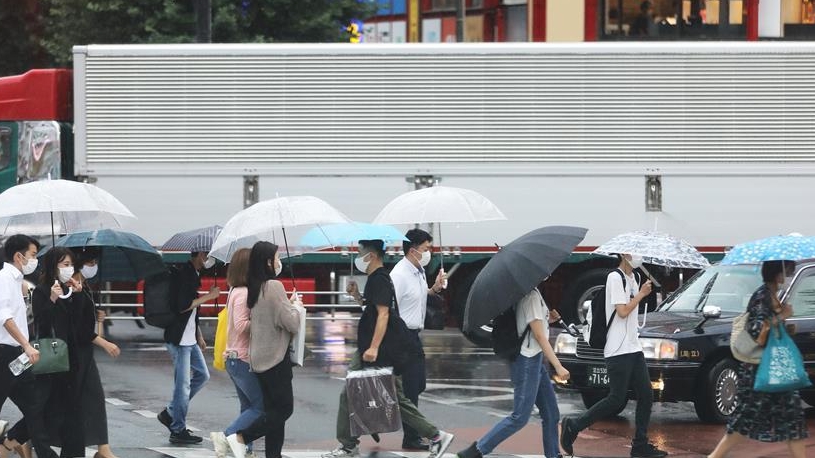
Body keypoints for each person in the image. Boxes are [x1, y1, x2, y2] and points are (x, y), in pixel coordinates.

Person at [322, 239, 454, 458]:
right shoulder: (378, 278)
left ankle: (349, 446)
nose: (358, 258)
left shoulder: (380, 279)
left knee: (367, 395)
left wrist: (373, 348)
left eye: (360, 253)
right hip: (376, 347)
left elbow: (383, 314)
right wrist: (356, 295)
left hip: (377, 349)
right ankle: (434, 436)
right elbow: (374, 309)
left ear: (371, 256)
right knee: (385, 397)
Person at [560, 253, 667, 458]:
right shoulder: (614, 278)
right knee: (616, 398)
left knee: (646, 394)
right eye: (635, 253)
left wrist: (647, 292)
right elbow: (622, 311)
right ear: (624, 255)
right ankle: (574, 425)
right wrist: (641, 294)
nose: (639, 257)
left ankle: (640, 444)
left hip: (633, 347)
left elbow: (633, 313)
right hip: (617, 348)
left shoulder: (635, 277)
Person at [707, 261, 807, 458]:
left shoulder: (772, 295)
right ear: (777, 273)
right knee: (746, 418)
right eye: (787, 271)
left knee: (792, 417)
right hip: (758, 371)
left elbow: (770, 329)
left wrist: (785, 326)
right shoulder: (762, 296)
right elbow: (757, 332)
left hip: (774, 370)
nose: (788, 276)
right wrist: (782, 316)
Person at [457, 285, 570, 458]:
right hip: (527, 361)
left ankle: (553, 454)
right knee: (519, 417)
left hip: (534, 359)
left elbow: (529, 325)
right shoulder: (531, 295)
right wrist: (558, 365)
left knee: (551, 413)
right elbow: (539, 336)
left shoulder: (529, 292)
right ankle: (477, 450)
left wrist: (547, 319)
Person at [222, 242, 301, 458]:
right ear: (268, 262)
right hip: (275, 358)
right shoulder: (273, 286)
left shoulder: (254, 287)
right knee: (284, 409)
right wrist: (296, 308)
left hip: (258, 360)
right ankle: (241, 437)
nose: (279, 262)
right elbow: (291, 323)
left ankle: (273, 455)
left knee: (273, 411)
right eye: (276, 258)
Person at [0, 234, 58, 458]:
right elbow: (4, 317)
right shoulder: (5, 279)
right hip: (5, 354)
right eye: (33, 255)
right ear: (19, 256)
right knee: (34, 407)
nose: (35, 260)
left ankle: (44, 454)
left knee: (35, 407)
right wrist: (26, 344)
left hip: (17, 357)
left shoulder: (17, 282)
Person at [388, 229, 446, 450]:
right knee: (411, 387)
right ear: (413, 250)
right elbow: (388, 307)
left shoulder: (418, 271)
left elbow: (419, 295)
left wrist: (434, 288)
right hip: (402, 337)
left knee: (417, 384)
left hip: (413, 336)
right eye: (425, 248)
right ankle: (411, 437)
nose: (428, 253)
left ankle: (409, 429)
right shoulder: (399, 275)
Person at [157, 252, 220, 444]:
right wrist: (209, 296)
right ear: (200, 255)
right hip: (180, 340)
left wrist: (198, 335)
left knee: (202, 375)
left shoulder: (193, 273)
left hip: (189, 338)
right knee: (182, 387)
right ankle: (178, 429)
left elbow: (192, 313)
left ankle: (170, 412)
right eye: (208, 254)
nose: (210, 259)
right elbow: (182, 306)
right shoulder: (185, 274)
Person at [210, 249, 262, 458]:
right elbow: (241, 326)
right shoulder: (243, 293)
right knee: (260, 407)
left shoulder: (235, 290)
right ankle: (225, 436)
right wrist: (262, 321)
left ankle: (245, 448)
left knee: (248, 406)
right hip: (241, 358)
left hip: (234, 358)